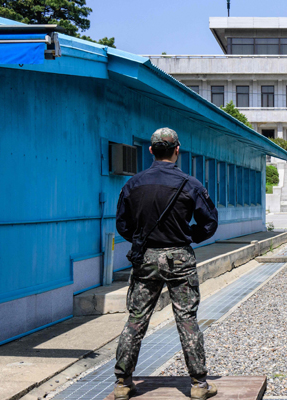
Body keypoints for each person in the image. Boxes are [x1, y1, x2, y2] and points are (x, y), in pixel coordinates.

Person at [113, 128, 219, 400]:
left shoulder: (133, 184)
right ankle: (198, 384)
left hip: (146, 258)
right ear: (177, 150)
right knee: (186, 319)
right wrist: (188, 237)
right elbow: (209, 223)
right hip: (179, 258)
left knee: (136, 319)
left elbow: (123, 224)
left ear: (150, 150)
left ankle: (123, 383)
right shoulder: (190, 184)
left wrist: (142, 239)